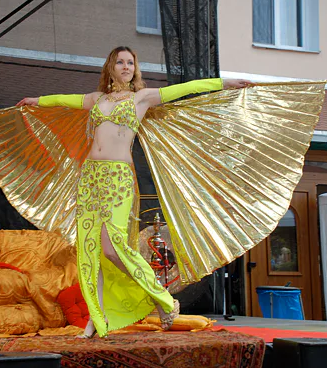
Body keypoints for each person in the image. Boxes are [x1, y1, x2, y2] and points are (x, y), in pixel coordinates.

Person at [15, 46, 251, 338]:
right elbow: (64, 100)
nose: (126, 66)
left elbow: (186, 88)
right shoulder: (96, 99)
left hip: (118, 177)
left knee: (113, 248)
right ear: (110, 67)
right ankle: (97, 319)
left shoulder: (142, 97)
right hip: (90, 177)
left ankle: (164, 299)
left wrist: (225, 82)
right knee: (92, 251)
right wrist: (37, 101)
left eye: (130, 62)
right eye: (120, 62)